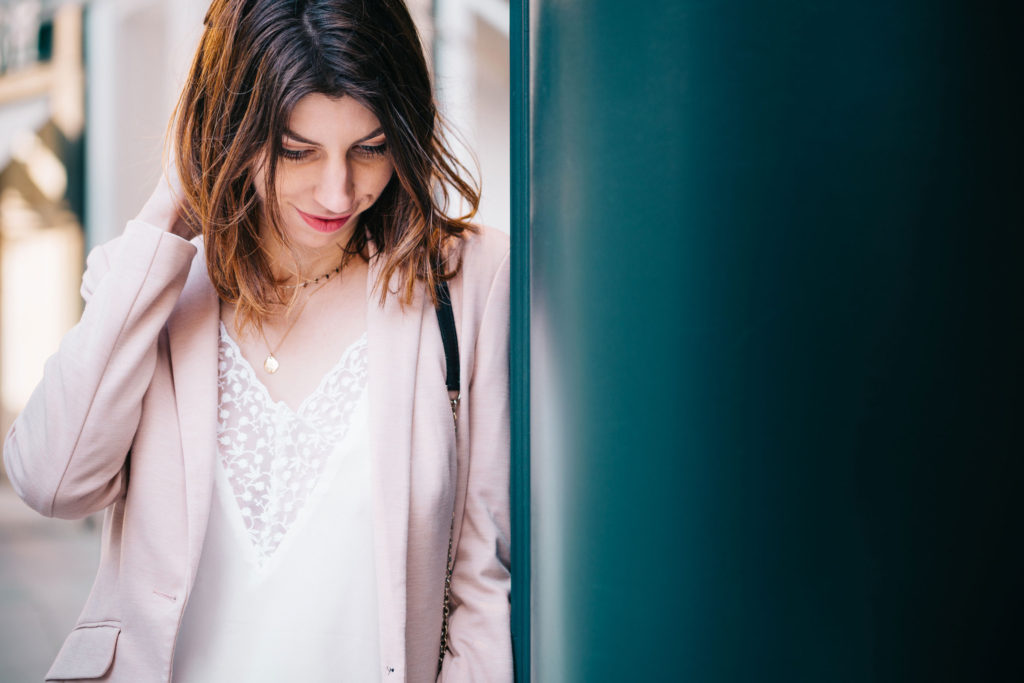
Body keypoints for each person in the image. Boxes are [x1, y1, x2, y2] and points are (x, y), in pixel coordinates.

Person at [2, 0, 511, 681]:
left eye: (372, 147)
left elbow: (480, 580)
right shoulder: (157, 283)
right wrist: (171, 207)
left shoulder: (467, 282)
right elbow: (49, 479)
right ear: (233, 130)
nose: (338, 190)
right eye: (297, 150)